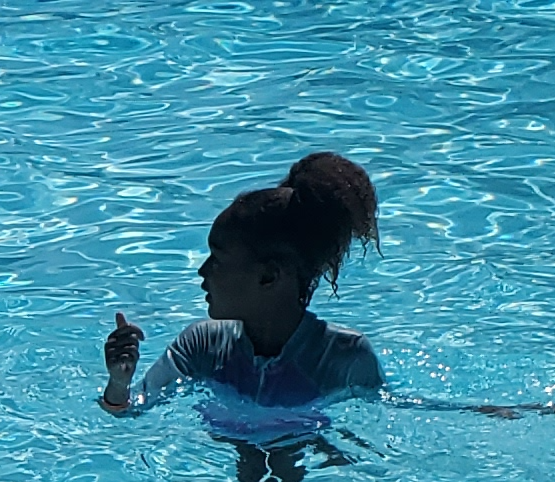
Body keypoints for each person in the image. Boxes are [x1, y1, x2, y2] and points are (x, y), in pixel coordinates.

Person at [101, 152, 382, 414]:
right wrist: (118, 381)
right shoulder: (202, 345)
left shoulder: (345, 358)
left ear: (268, 276)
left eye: (218, 260)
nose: (202, 270)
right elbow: (131, 409)